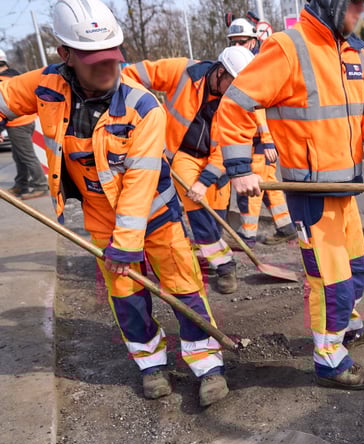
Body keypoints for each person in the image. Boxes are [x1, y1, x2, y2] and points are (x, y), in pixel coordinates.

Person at [0, 0, 228, 406]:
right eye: (94, 61)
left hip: (156, 215)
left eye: (112, 58)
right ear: (65, 55)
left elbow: (139, 185)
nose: (107, 68)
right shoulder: (46, 84)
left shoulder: (143, 107)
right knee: (125, 296)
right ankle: (151, 364)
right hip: (101, 220)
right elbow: (4, 99)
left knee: (184, 286)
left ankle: (206, 362)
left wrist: (126, 244)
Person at [213, 0, 364, 390]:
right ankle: (330, 361)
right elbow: (235, 105)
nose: (360, 14)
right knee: (330, 283)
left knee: (356, 271)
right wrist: (239, 169)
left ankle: (345, 328)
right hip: (310, 195)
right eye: (354, 5)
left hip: (345, 191)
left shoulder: (354, 52)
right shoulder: (289, 48)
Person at [123, 47, 257, 294]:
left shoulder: (239, 100)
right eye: (233, 83)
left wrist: (205, 180)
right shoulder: (182, 71)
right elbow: (129, 74)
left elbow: (230, 147)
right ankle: (225, 265)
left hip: (218, 161)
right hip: (183, 153)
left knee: (214, 216)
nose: (236, 91)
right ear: (219, 72)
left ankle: (210, 250)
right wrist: (139, 109)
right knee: (197, 208)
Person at [224, 16, 296, 247]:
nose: (236, 46)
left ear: (253, 42)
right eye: (232, 42)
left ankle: (247, 235)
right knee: (267, 185)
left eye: (242, 42)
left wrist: (267, 142)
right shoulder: (245, 65)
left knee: (251, 190)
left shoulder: (256, 70)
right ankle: (285, 226)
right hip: (261, 140)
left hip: (260, 142)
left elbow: (261, 110)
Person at [0, 49, 49, 200]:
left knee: (26, 156)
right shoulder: (16, 75)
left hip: (16, 123)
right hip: (27, 120)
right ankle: (21, 184)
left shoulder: (2, 81)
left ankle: (40, 185)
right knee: (19, 155)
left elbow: (3, 106)